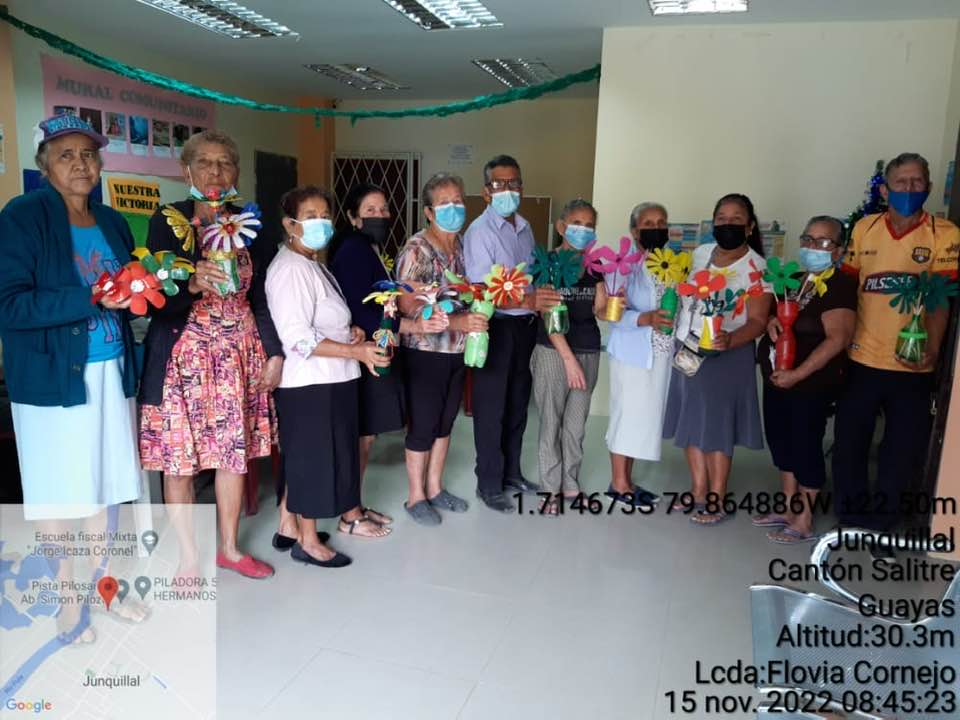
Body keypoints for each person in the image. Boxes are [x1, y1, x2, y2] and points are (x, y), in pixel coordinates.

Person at [0, 114, 148, 639]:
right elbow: (10, 305)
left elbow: (128, 289)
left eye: (88, 154)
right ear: (44, 166)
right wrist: (89, 297)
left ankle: (104, 588)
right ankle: (67, 601)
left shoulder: (111, 221)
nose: (80, 164)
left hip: (112, 371)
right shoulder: (22, 216)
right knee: (59, 493)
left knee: (106, 487)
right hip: (52, 382)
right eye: (66, 155)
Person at [138, 129, 284, 580]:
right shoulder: (169, 220)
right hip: (182, 360)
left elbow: (262, 297)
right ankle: (187, 558)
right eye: (204, 162)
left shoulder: (250, 224)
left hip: (239, 356)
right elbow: (158, 296)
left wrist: (274, 352)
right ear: (187, 171)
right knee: (179, 461)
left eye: (225, 163)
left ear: (236, 172)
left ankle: (229, 549)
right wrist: (190, 285)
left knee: (231, 455)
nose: (215, 172)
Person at [833, 153, 959, 544]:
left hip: (912, 364)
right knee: (850, 442)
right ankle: (850, 516)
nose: (909, 188)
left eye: (916, 181)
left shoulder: (944, 233)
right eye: (900, 182)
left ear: (929, 187)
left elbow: (942, 299)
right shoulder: (864, 229)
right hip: (861, 358)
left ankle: (883, 525)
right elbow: (847, 289)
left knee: (901, 449)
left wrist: (932, 349)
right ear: (885, 190)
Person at [266, 186, 391, 565]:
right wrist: (356, 351)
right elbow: (298, 337)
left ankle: (295, 529)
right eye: (310, 216)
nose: (320, 223)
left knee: (325, 457)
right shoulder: (290, 269)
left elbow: (325, 319)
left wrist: (350, 332)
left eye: (324, 216)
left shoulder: (313, 263)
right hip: (310, 382)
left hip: (332, 377)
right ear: (290, 224)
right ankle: (308, 542)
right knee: (312, 461)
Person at [663, 193, 773, 525]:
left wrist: (729, 340)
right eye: (722, 218)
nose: (728, 224)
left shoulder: (756, 267)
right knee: (690, 421)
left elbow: (757, 321)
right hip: (688, 348)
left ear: (750, 226)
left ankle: (717, 497)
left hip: (727, 357)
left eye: (736, 219)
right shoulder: (699, 254)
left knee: (717, 428)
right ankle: (698, 489)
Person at [464, 155, 561, 512]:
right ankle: (488, 483)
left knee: (518, 403)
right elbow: (482, 288)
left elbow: (530, 275)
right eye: (499, 184)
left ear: (522, 187)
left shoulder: (526, 228)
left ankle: (511, 473)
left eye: (514, 183)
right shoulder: (479, 232)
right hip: (496, 326)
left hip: (525, 327)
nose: (507, 190)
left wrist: (540, 297)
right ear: (486, 192)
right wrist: (530, 300)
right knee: (491, 408)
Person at [754, 217, 857, 543]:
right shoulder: (794, 280)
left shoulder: (840, 285)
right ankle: (788, 507)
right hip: (778, 378)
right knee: (781, 440)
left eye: (823, 242)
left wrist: (797, 374)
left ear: (839, 250)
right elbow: (777, 315)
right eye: (808, 239)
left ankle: (805, 519)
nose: (812, 247)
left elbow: (838, 339)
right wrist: (770, 322)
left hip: (810, 382)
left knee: (805, 444)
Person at [395, 173, 484, 525]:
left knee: (446, 422)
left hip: (456, 350)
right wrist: (456, 321)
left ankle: (435, 488)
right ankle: (415, 496)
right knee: (423, 424)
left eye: (458, 201)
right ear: (429, 212)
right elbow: (405, 304)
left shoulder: (461, 246)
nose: (454, 208)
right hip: (424, 352)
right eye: (444, 203)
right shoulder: (417, 249)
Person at [328, 183, 405, 527]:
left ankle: (355, 504)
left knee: (366, 436)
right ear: (352, 217)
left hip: (375, 348)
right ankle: (350, 514)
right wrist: (400, 328)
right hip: (365, 352)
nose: (379, 215)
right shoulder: (353, 250)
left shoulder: (370, 247)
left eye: (383, 209)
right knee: (361, 436)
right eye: (370, 210)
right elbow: (359, 309)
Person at [531, 199, 606, 515]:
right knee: (551, 422)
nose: (583, 230)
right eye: (577, 223)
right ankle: (550, 489)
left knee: (576, 425)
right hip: (554, 351)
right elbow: (548, 314)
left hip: (588, 349)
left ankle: (571, 484)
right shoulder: (547, 263)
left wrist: (611, 300)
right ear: (561, 227)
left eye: (589, 226)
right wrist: (568, 359)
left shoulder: (594, 266)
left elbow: (600, 310)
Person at [604, 203, 676, 508]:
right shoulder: (623, 266)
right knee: (626, 416)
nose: (656, 228)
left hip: (660, 353)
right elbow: (611, 314)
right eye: (648, 223)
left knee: (642, 419)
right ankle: (618, 484)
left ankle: (627, 481)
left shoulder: (673, 263)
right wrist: (645, 318)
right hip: (631, 354)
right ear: (635, 231)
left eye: (661, 222)